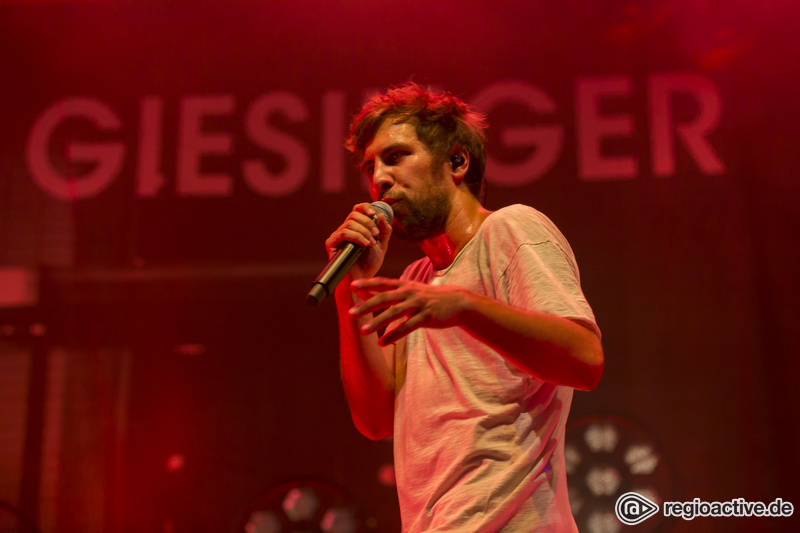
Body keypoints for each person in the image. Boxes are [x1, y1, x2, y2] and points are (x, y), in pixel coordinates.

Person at [325, 82, 603, 532]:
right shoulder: (414, 283)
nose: (378, 177)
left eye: (396, 156)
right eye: (370, 165)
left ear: (457, 161)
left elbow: (585, 359)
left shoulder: (511, 229)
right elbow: (376, 421)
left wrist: (463, 307)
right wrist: (351, 286)